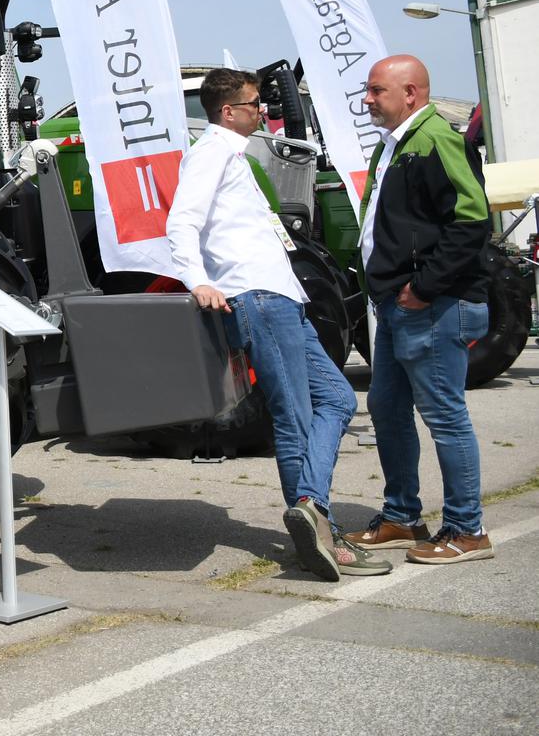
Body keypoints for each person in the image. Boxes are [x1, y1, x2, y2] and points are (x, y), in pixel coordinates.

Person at [167, 68, 389, 580]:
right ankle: (320, 526)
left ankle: (310, 508)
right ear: (228, 111)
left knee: (336, 399)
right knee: (295, 418)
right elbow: (182, 220)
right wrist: (198, 280)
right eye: (253, 104)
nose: (261, 112)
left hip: (280, 297)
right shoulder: (212, 152)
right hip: (258, 297)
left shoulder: (232, 155)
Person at [343, 55, 494, 564]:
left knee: (444, 417)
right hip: (396, 304)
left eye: (376, 91)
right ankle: (402, 518)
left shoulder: (437, 139)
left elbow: (471, 219)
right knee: (385, 408)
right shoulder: (398, 142)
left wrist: (425, 287)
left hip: (430, 305)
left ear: (410, 93)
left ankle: (467, 530)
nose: (367, 99)